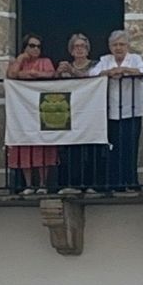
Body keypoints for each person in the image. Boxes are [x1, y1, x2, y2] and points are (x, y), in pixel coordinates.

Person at [91, 30, 143, 192]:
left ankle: (131, 181)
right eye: (115, 45)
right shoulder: (105, 60)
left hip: (132, 111)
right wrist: (109, 72)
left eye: (121, 44)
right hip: (111, 112)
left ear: (127, 46)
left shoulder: (135, 59)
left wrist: (126, 70)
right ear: (110, 47)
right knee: (114, 149)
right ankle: (115, 182)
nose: (118, 48)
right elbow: (92, 74)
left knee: (130, 147)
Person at [6, 33, 58, 194]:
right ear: (25, 47)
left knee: (42, 145)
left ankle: (42, 184)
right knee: (24, 145)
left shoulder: (45, 62)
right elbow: (11, 74)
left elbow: (51, 74)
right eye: (31, 46)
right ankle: (29, 185)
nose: (35, 49)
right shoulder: (19, 62)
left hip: (41, 109)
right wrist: (21, 59)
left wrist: (35, 74)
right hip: (23, 111)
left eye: (38, 46)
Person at [53, 33, 104, 191]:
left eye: (82, 46)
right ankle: (70, 183)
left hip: (90, 113)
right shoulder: (66, 67)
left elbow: (93, 80)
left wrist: (73, 72)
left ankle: (90, 184)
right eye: (76, 46)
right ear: (71, 50)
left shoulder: (96, 65)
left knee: (89, 150)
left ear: (87, 49)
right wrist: (57, 74)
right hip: (70, 114)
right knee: (69, 150)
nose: (79, 49)